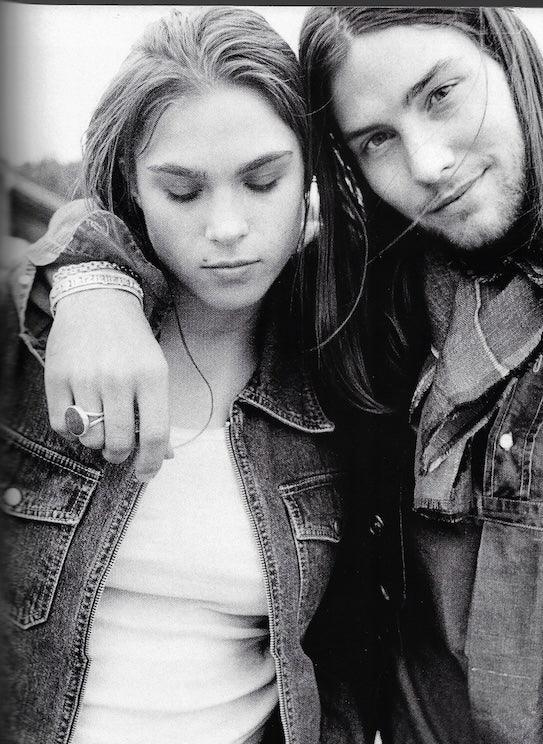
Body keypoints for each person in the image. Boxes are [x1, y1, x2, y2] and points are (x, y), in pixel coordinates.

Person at [0, 8, 379, 744]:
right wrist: (83, 277)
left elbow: (344, 661)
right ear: (132, 183)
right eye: (182, 190)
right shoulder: (31, 341)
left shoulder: (342, 362)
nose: (227, 227)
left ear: (309, 172)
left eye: (263, 181)